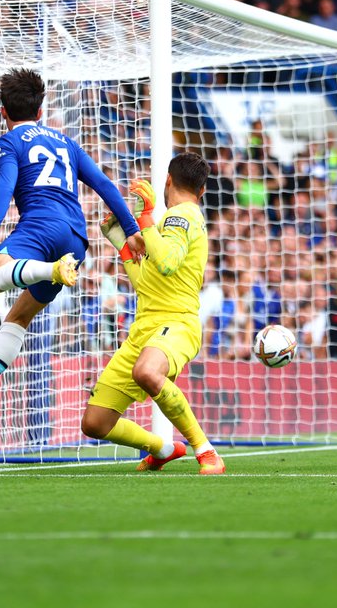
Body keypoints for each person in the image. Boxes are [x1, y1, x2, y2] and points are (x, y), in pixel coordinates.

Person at [0, 69, 145, 431]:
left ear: (3, 111)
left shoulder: (9, 142)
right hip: (75, 240)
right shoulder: (66, 142)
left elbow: (4, 185)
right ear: (40, 110)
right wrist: (131, 230)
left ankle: (50, 269)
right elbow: (103, 183)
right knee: (19, 317)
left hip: (41, 227)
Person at [81, 153, 226, 475]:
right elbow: (147, 283)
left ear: (168, 180)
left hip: (176, 323)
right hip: (143, 329)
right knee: (95, 423)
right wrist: (123, 244)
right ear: (202, 190)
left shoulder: (180, 217)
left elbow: (167, 262)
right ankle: (163, 449)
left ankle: (207, 451)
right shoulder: (169, 225)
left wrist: (145, 218)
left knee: (146, 372)